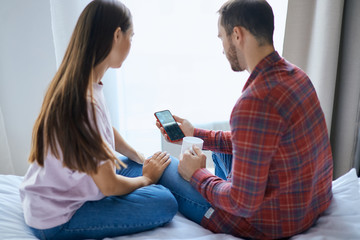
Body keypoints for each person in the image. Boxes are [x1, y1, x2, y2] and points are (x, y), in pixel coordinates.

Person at [156, 0, 333, 239]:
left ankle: (213, 201)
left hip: (268, 224)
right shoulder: (297, 76)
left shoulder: (254, 101)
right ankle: (217, 184)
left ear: (237, 35)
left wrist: (197, 175)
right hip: (309, 205)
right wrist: (195, 134)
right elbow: (255, 139)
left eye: (221, 38)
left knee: (164, 165)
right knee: (217, 151)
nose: (222, 47)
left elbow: (242, 204)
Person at [19, 1, 177, 239]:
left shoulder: (79, 83)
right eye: (130, 36)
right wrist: (146, 179)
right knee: (165, 201)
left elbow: (104, 131)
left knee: (144, 163)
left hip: (44, 199)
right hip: (57, 220)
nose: (131, 44)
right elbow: (109, 186)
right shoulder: (86, 103)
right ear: (116, 35)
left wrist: (138, 156)